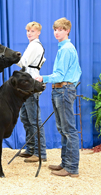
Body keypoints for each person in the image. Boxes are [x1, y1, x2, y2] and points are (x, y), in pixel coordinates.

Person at [36, 17, 82, 177]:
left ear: (67, 30)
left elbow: (60, 75)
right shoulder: (63, 48)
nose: (57, 32)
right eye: (55, 29)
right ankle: (65, 163)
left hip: (63, 89)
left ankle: (72, 168)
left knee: (69, 130)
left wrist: (43, 78)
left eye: (61, 29)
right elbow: (78, 71)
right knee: (63, 129)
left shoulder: (67, 49)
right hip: (61, 90)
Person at [16, 21, 47, 163]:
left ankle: (40, 153)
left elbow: (23, 62)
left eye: (32, 31)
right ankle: (31, 149)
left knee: (34, 119)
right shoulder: (33, 45)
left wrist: (12, 57)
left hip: (31, 84)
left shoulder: (34, 45)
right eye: (28, 31)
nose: (29, 33)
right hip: (26, 84)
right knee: (26, 118)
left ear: (38, 32)